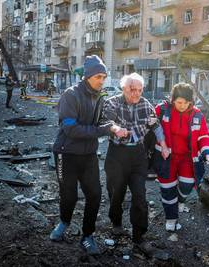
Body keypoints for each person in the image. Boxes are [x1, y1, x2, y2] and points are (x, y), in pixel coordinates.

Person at [50, 55, 120, 255]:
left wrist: (112, 127)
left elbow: (98, 125)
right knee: (69, 195)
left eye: (104, 77)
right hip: (66, 153)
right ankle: (64, 223)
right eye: (99, 76)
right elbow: (71, 129)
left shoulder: (99, 97)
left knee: (95, 195)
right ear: (88, 76)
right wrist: (104, 130)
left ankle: (87, 236)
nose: (102, 80)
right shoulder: (71, 95)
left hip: (88, 154)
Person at [102, 72, 169, 252]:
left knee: (140, 196)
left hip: (138, 156)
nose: (136, 94)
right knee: (116, 193)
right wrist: (115, 128)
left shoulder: (146, 105)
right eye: (133, 90)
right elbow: (106, 120)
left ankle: (139, 236)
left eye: (140, 90)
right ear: (124, 89)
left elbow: (156, 126)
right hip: (117, 154)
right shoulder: (113, 102)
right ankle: (116, 222)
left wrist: (163, 145)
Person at [154, 82, 209, 231]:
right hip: (166, 156)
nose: (182, 106)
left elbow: (203, 135)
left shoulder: (197, 115)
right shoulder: (162, 110)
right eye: (179, 102)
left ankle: (180, 201)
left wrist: (207, 152)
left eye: (186, 103)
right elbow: (149, 125)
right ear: (173, 99)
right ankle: (171, 219)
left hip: (188, 158)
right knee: (167, 189)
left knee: (187, 186)